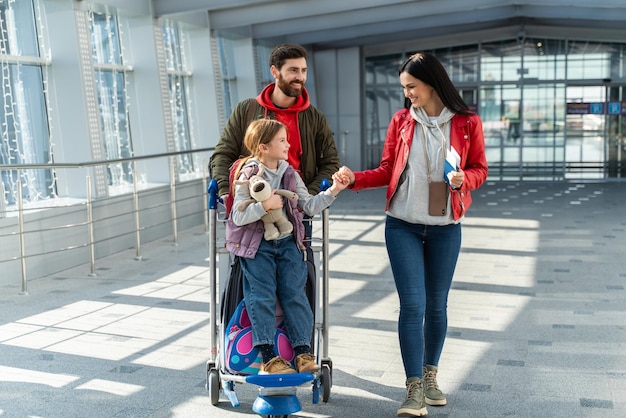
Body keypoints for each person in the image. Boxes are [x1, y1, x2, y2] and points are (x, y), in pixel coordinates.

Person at [338, 52, 488, 416]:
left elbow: (480, 169)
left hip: (445, 228)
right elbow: (388, 169)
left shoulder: (467, 123)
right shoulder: (402, 121)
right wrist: (354, 179)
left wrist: (463, 179)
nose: (407, 94)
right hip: (402, 224)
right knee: (413, 305)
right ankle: (414, 387)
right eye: (404, 88)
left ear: (432, 82)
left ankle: (431, 376)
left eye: (411, 87)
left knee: (437, 306)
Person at [227, 118, 347, 374]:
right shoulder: (249, 173)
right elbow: (238, 216)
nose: (288, 144)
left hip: (289, 242)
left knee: (295, 292)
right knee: (262, 295)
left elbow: (308, 206)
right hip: (256, 247)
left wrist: (334, 190)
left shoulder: (290, 173)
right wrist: (264, 206)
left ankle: (303, 352)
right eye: (282, 140)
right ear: (263, 147)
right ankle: (269, 357)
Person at [210, 43, 340, 201]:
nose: (300, 77)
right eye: (293, 70)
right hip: (253, 203)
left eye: (303, 70)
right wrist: (226, 190)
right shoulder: (246, 110)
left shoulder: (315, 118)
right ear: (275, 72)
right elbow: (222, 154)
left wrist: (306, 197)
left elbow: (330, 163)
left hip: (297, 209)